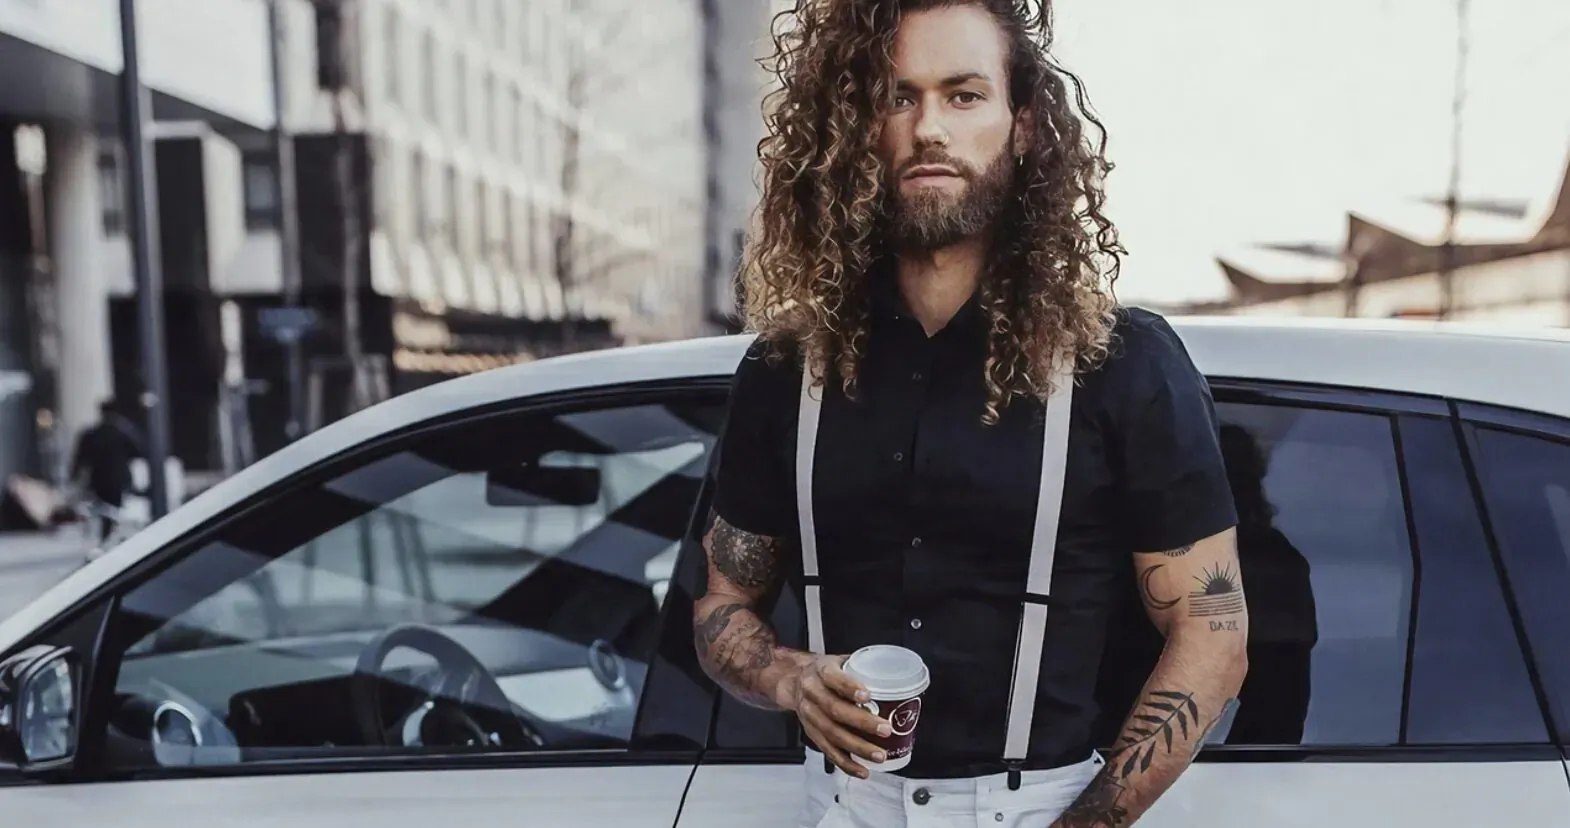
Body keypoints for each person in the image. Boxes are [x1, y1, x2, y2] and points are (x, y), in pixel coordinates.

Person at [693, 1, 1248, 826]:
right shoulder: (784, 374)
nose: (928, 129)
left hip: (1044, 807)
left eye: (963, 95)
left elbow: (1212, 632)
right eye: (896, 96)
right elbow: (720, 608)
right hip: (843, 805)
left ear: (1023, 126)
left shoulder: (1121, 364)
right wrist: (787, 676)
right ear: (854, 129)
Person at [70, 397, 146, 544]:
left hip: (99, 479)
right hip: (119, 479)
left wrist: (74, 477)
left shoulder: (91, 434)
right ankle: (112, 535)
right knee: (115, 509)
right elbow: (139, 450)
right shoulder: (121, 433)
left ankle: (108, 535)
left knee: (105, 509)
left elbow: (80, 459)